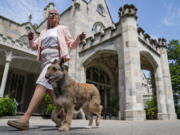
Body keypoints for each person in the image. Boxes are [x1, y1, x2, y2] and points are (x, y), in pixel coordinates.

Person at [7, 9, 86, 130]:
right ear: (48, 18)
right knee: (53, 95)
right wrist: (30, 39)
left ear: (58, 18)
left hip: (55, 62)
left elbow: (72, 44)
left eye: (55, 14)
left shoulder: (62, 29)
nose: (52, 15)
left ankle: (25, 119)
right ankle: (64, 118)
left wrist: (78, 39)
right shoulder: (43, 32)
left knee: (41, 84)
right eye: (50, 14)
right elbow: (34, 46)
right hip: (45, 63)